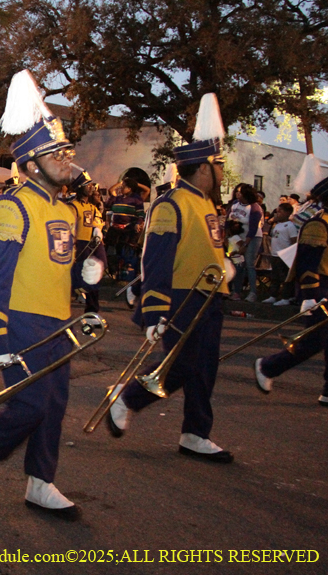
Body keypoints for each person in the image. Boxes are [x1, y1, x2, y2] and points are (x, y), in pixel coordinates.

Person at [0, 69, 103, 520]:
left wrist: (84, 271)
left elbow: (54, 263)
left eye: (66, 150)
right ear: (32, 161)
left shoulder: (66, 207)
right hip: (19, 320)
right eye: (55, 152)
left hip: (58, 321)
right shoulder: (11, 205)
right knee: (32, 403)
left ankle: (41, 482)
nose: (66, 158)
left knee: (54, 406)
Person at [107, 93, 233, 463]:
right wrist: (154, 311)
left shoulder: (206, 202)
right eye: (220, 164)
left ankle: (195, 433)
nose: (223, 171)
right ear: (205, 168)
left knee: (204, 369)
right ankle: (128, 397)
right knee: (179, 366)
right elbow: (157, 260)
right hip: (181, 297)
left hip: (209, 297)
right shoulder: (171, 203)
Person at [254, 160, 328, 407]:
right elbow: (308, 262)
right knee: (313, 340)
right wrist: (310, 294)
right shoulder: (319, 223)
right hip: (319, 286)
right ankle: (268, 367)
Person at [68, 171, 107, 312]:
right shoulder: (73, 206)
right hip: (77, 246)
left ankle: (91, 312)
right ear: (79, 187)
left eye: (91, 185)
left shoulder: (92, 207)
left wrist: (98, 231)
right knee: (72, 280)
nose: (91, 188)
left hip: (90, 246)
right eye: (87, 185)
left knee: (92, 280)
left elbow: (97, 223)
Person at [227, 183, 264, 302]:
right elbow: (228, 221)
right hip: (237, 237)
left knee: (249, 264)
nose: (237, 194)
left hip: (252, 238)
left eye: (240, 192)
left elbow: (253, 228)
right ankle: (236, 292)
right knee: (238, 264)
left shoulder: (254, 208)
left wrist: (245, 244)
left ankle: (253, 292)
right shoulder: (234, 205)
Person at [261, 202, 297, 306]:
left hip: (284, 254)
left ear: (287, 213)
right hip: (275, 254)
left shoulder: (290, 226)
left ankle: (286, 297)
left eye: (280, 211)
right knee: (275, 276)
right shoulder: (277, 225)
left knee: (284, 277)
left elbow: (293, 240)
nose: (277, 213)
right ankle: (273, 295)